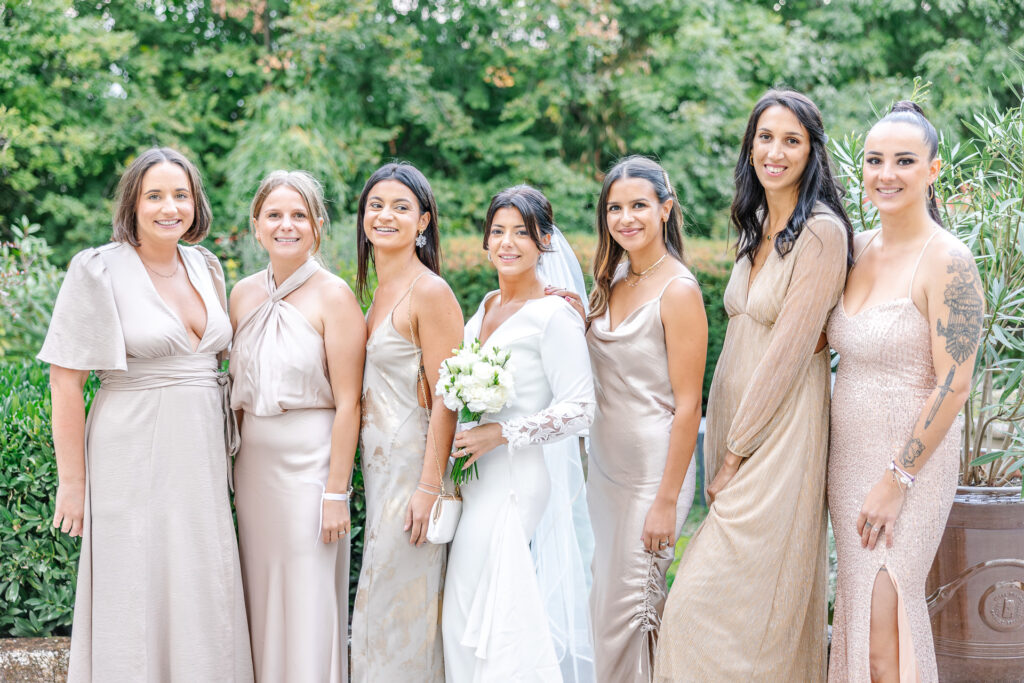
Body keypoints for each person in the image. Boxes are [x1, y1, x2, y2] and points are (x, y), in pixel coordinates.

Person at [654, 90, 854, 682]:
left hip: (780, 432)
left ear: (812, 152)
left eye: (791, 140)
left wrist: (735, 454)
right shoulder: (761, 223)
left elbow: (790, 354)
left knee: (699, 606)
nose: (775, 151)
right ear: (750, 147)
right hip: (740, 425)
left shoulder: (821, 233)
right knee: (741, 609)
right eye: (765, 137)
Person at [39, 147, 253, 681]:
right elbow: (66, 381)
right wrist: (72, 483)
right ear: (132, 203)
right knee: (135, 580)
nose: (169, 207)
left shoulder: (206, 266)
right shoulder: (97, 268)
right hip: (129, 445)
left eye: (180, 195)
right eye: (154, 195)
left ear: (195, 202)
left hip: (201, 450)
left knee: (202, 574)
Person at [827, 102, 982, 683]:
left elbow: (955, 381)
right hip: (847, 461)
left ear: (933, 170)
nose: (885, 173)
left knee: (885, 617)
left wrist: (898, 479)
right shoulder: (855, 248)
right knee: (859, 612)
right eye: (874, 160)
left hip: (908, 467)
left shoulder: (948, 261)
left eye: (904, 161)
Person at [562, 155, 707, 682]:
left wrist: (666, 502)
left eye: (639, 205)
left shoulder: (680, 290)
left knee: (629, 613)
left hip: (653, 474)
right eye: (615, 208)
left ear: (666, 209)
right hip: (604, 470)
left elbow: (690, 405)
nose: (626, 218)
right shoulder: (613, 279)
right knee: (604, 606)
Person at [442, 185, 595, 682]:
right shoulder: (486, 304)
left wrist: (503, 433)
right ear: (486, 241)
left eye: (522, 233)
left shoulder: (555, 316)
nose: (507, 243)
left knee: (495, 611)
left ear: (544, 241)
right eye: (498, 232)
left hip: (515, 482)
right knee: (466, 611)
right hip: (477, 480)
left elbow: (580, 410)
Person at [228, 170, 363, 681]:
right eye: (275, 215)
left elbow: (350, 403)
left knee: (307, 594)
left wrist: (335, 493)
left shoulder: (335, 297)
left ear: (318, 226)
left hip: (311, 465)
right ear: (256, 226)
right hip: (254, 466)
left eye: (299, 215)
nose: (287, 225)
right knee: (259, 590)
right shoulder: (240, 295)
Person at [349, 162, 463, 682]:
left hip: (410, 474)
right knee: (379, 601)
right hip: (378, 473)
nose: (385, 215)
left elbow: (448, 398)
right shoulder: (374, 290)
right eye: (376, 205)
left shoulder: (430, 292)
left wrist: (429, 485)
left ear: (424, 221)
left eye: (401, 207)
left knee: (401, 607)